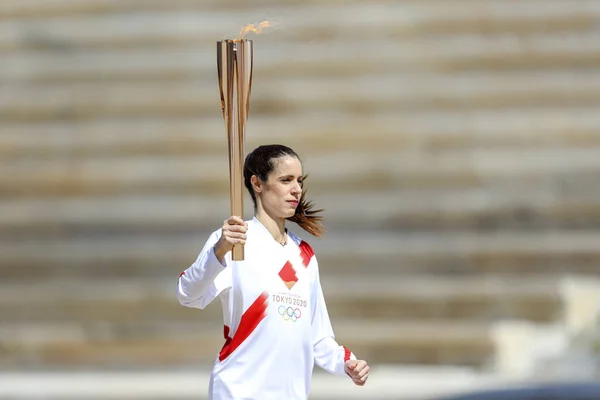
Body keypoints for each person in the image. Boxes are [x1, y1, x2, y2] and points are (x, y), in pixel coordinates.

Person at [176, 144, 370, 400]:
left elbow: (318, 336)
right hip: (238, 391)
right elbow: (188, 294)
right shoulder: (235, 242)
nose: (296, 189)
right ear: (257, 183)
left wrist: (347, 364)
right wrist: (219, 251)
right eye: (286, 180)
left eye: (299, 180)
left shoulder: (304, 255)